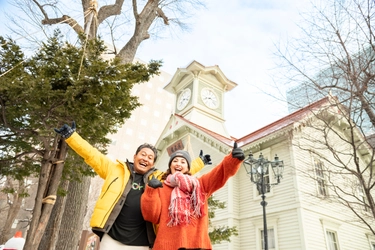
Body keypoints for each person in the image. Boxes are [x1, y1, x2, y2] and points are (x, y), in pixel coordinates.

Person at [54, 121, 212, 250]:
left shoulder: (159, 179)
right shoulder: (115, 169)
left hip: (142, 242)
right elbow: (92, 155)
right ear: (135, 156)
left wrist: (198, 163)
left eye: (150, 157)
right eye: (143, 154)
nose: (146, 158)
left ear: (153, 164)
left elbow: (178, 172)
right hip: (111, 238)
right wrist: (71, 137)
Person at [141, 143, 245, 250]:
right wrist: (150, 192)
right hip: (167, 246)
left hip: (197, 245)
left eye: (183, 161)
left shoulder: (200, 185)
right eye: (175, 161)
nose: (178, 164)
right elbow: (151, 216)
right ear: (170, 166)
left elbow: (219, 174)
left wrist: (233, 160)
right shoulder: (160, 187)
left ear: (188, 167)